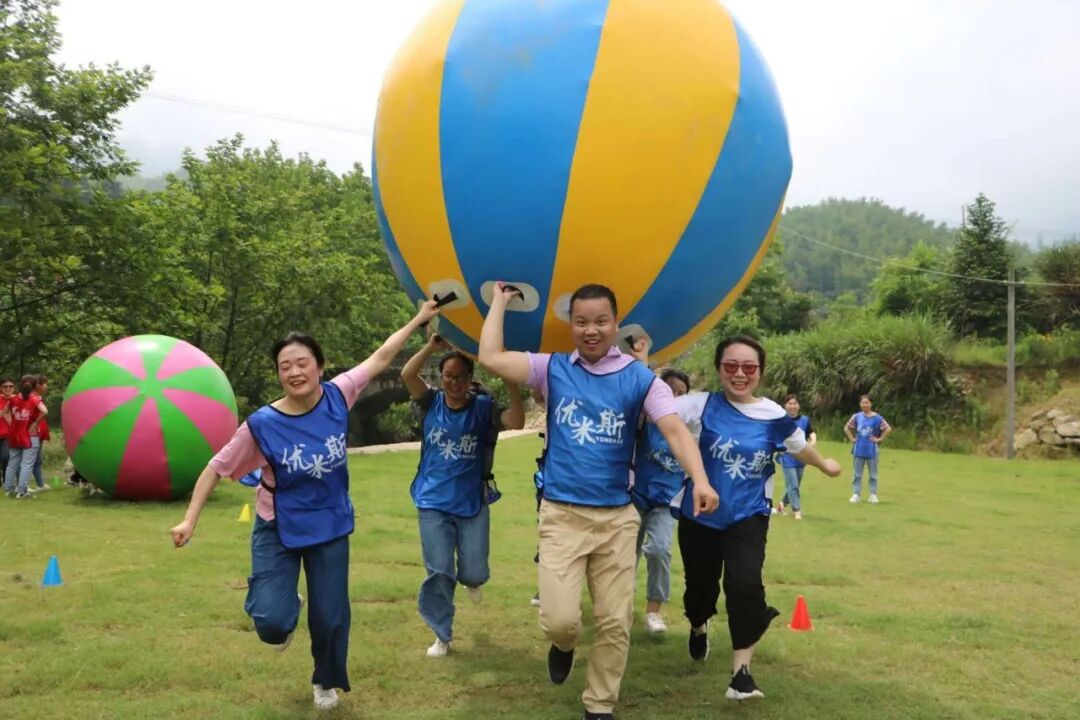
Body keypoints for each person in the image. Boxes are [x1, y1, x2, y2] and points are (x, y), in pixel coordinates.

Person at [169, 300, 440, 712]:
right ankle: (282, 602)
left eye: (302, 363)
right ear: (278, 374)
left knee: (330, 616)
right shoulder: (262, 424)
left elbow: (382, 354)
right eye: (284, 366)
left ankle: (325, 680)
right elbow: (216, 467)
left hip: (330, 522)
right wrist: (190, 520)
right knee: (272, 625)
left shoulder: (338, 395)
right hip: (277, 525)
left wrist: (419, 319)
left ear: (320, 365)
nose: (294, 372)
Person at [479, 282, 718, 720]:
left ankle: (600, 705)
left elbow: (674, 430)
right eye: (582, 321)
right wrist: (499, 303)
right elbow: (492, 358)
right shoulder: (550, 369)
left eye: (601, 321)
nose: (591, 330)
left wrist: (700, 480)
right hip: (561, 515)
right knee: (561, 620)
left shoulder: (641, 379)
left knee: (614, 622)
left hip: (616, 520)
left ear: (615, 323)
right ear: (571, 325)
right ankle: (563, 644)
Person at [674, 335, 840, 701]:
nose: (739, 374)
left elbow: (798, 447)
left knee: (745, 585)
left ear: (760, 372)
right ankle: (699, 624)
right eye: (730, 366)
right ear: (719, 368)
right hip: (699, 515)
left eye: (749, 368)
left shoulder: (773, 414)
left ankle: (741, 675)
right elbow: (658, 410)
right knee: (701, 588)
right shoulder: (698, 405)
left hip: (749, 516)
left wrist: (826, 465)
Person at [400, 332, 525, 658]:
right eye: (448, 376)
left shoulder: (483, 409)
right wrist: (431, 346)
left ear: (470, 379)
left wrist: (510, 382)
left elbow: (516, 420)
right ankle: (442, 634)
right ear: (441, 379)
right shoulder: (430, 403)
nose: (454, 382)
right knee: (439, 571)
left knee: (474, 573)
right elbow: (407, 375)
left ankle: (472, 580)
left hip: (471, 501)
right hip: (431, 501)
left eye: (460, 377)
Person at [632, 368, 691, 635]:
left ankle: (654, 612)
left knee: (659, 549)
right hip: (636, 496)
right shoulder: (646, 418)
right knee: (623, 554)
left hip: (667, 501)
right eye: (670, 390)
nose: (675, 397)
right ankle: (618, 606)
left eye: (681, 393)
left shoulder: (688, 426)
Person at [2, 375, 48, 499]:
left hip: (15, 435)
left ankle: (9, 489)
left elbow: (4, 412)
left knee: (12, 463)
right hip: (30, 435)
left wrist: (12, 423)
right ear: (35, 386)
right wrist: (35, 423)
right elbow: (44, 411)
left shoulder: (14, 399)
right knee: (27, 464)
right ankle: (22, 491)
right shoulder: (34, 399)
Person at [844, 394, 892, 503]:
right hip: (859, 448)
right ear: (860, 404)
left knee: (873, 474)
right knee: (857, 474)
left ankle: (873, 494)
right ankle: (856, 494)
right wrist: (852, 439)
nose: (864, 405)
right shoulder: (856, 416)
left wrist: (879, 439)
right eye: (862, 403)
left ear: (871, 403)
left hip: (872, 450)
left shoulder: (878, 418)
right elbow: (847, 428)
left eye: (867, 402)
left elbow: (888, 429)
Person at [776, 394, 816, 519]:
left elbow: (811, 433)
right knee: (793, 484)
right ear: (785, 405)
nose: (792, 406)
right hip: (787, 456)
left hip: (801, 456)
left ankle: (781, 504)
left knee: (795, 484)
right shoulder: (780, 420)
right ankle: (797, 510)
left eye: (794, 404)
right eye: (790, 404)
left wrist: (812, 442)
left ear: (798, 406)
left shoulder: (804, 420)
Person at [30, 374, 50, 492]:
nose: (46, 386)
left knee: (37, 458)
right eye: (45, 383)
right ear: (38, 385)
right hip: (34, 433)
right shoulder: (34, 398)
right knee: (35, 459)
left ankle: (40, 483)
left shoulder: (37, 397)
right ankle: (39, 484)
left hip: (38, 432)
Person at [0, 377, 15, 489]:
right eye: (5, 386)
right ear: (1, 388)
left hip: (8, 435)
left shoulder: (18, 400)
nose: (8, 388)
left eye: (10, 386)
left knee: (5, 457)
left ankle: (6, 480)